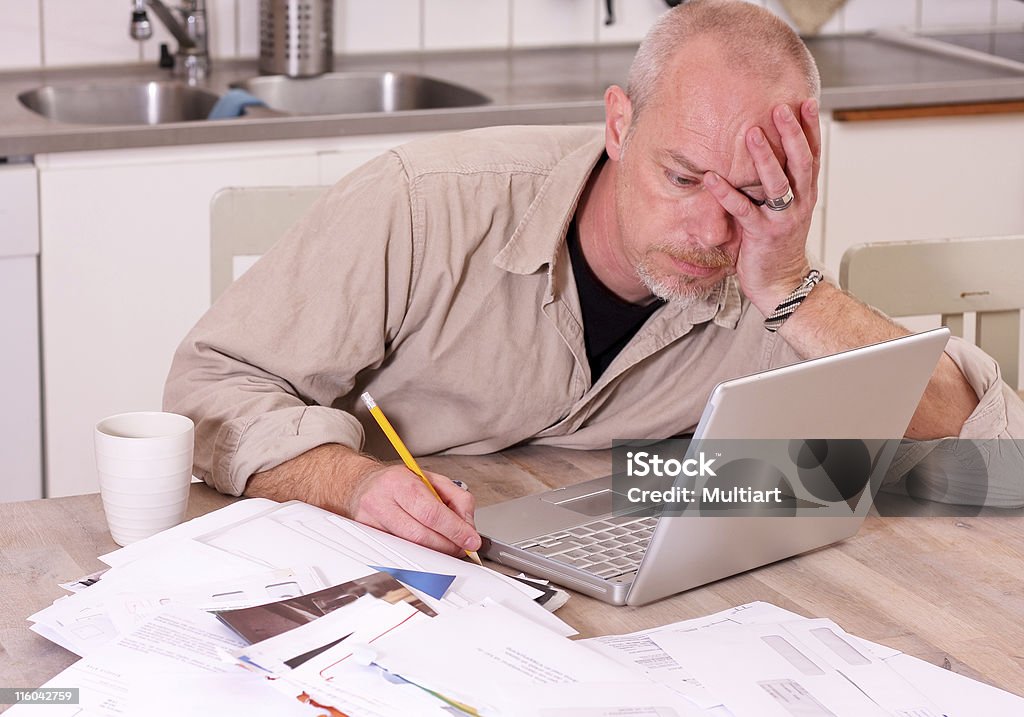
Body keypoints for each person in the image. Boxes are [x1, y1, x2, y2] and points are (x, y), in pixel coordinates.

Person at [165, 0, 1024, 557]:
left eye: (753, 194)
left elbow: (996, 468)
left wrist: (794, 287)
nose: (709, 230)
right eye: (682, 178)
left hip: (605, 596)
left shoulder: (767, 261)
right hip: (384, 570)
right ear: (619, 123)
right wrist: (352, 484)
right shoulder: (421, 204)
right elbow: (210, 387)